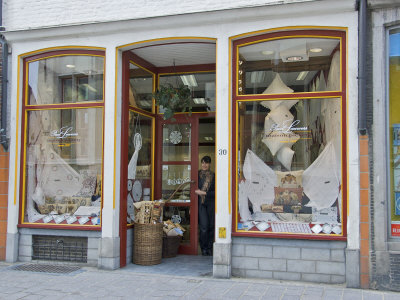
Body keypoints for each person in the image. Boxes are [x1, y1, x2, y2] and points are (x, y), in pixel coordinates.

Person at [195, 155, 215, 256]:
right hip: (201, 204)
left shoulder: (213, 176)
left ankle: (210, 248)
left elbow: (216, 192)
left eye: (206, 163)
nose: (204, 165)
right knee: (204, 227)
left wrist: (204, 193)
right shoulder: (196, 175)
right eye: (203, 162)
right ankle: (203, 248)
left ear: (210, 164)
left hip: (211, 203)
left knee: (211, 227)